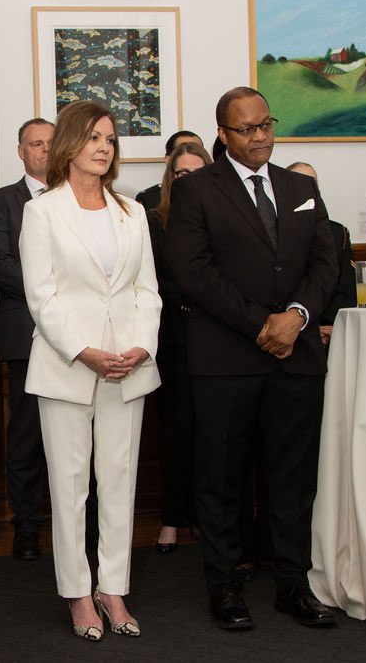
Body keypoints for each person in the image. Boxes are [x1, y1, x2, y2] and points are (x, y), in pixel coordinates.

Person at [166, 86, 338, 630]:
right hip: (226, 360)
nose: (260, 136)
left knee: (293, 479)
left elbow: (326, 262)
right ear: (222, 133)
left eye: (266, 124)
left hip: (297, 357)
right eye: (247, 129)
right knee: (221, 480)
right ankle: (225, 588)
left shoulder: (301, 186)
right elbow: (193, 272)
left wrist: (296, 316)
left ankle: (293, 587)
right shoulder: (197, 190)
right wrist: (260, 324)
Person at [19, 100, 161, 641]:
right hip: (66, 367)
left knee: (120, 481)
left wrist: (141, 347)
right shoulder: (43, 211)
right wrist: (83, 351)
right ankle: (79, 592)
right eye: (94, 137)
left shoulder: (132, 211)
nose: (104, 146)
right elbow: (41, 295)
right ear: (69, 145)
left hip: (129, 367)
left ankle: (114, 588)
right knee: (71, 485)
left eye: (110, 138)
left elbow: (147, 289)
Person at [0, 117, 54, 561]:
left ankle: (78, 525)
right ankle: (26, 526)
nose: (45, 151)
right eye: (36, 144)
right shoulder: (0, 204)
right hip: (26, 335)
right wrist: (59, 290)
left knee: (76, 438)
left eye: (51, 143)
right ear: (21, 151)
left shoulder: (77, 198)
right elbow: (0, 267)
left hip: (82, 340)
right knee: (27, 436)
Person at [145, 142, 212, 555]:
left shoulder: (225, 216)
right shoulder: (154, 220)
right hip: (174, 336)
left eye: (196, 172)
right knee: (176, 432)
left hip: (219, 337)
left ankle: (209, 520)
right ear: (172, 177)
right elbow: (150, 278)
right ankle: (170, 521)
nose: (189, 179)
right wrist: (195, 297)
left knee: (216, 435)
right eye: (181, 173)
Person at [287, 162, 356, 344]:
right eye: (299, 182)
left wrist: (331, 326)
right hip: (291, 330)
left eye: (313, 182)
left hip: (332, 330)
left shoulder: (337, 233)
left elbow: (346, 289)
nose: (307, 188)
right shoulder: (273, 233)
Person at [135, 130, 204, 210]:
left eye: (196, 150)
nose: (190, 156)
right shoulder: (148, 199)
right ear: (168, 160)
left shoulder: (215, 195)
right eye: (181, 151)